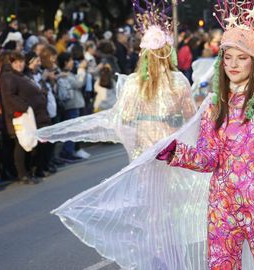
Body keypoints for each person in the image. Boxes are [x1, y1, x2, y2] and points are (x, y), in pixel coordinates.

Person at [49, 2, 254, 269]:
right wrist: (175, 152)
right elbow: (208, 158)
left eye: (241, 58)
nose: (234, 64)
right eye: (228, 57)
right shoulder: (213, 104)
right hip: (222, 205)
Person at [37, 0, 196, 162]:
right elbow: (191, 117)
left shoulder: (134, 82)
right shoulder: (178, 81)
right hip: (171, 146)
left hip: (143, 147)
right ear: (168, 54)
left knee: (145, 186)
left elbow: (124, 115)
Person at [0, 52, 49, 184]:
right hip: (21, 116)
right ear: (10, 63)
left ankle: (29, 172)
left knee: (30, 144)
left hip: (31, 116)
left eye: (21, 61)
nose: (19, 64)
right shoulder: (8, 77)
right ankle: (22, 174)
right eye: (15, 62)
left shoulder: (23, 75)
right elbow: (9, 97)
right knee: (21, 145)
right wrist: (25, 107)